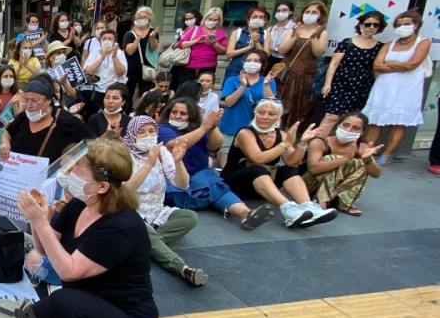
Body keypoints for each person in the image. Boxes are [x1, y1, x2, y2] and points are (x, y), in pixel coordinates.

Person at [19, 139, 157, 318]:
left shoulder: (121, 226)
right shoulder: (79, 204)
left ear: (103, 187)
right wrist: (40, 219)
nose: (71, 174)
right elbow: (44, 249)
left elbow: (67, 271)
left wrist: (40, 222)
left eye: (80, 171)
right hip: (91, 300)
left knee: (63, 303)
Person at [158, 99, 276, 230]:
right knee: (185, 195)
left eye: (183, 113)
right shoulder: (163, 128)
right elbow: (175, 144)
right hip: (175, 180)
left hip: (200, 176)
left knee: (219, 188)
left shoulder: (198, 129)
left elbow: (215, 145)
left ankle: (246, 214)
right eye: (174, 112)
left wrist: (213, 126)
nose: (178, 116)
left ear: (191, 116)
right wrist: (204, 128)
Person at [220, 99, 337, 227]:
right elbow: (258, 159)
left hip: (262, 186)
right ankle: (288, 209)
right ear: (255, 113)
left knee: (288, 170)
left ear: (278, 117)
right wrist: (285, 144)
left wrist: (302, 143)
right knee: (256, 168)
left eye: (271, 114)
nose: (264, 117)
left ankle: (308, 206)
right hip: (235, 183)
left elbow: (292, 163)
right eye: (261, 112)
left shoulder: (281, 135)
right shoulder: (245, 133)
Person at [123, 116, 208, 286]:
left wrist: (178, 162)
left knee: (190, 217)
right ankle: (182, 268)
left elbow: (182, 183)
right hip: (131, 213)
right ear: (132, 134)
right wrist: (148, 164)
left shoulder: (161, 152)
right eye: (141, 132)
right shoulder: (123, 155)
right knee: (143, 230)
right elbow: (125, 191)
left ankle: (145, 245)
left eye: (152, 131)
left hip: (156, 212)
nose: (148, 135)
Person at [363, 10, 431, 165]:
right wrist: (399, 66)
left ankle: (387, 154)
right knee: (375, 121)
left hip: (407, 88)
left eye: (407, 24)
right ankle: (368, 152)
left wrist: (391, 63)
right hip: (384, 86)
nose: (402, 27)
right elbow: (377, 65)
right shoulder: (389, 44)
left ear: (416, 25)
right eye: (399, 25)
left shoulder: (423, 42)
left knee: (398, 123)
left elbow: (412, 64)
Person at [0, 76, 94, 166]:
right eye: (26, 100)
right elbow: (7, 133)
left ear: (49, 100)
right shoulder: (23, 117)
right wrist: (5, 143)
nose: (29, 105)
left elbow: (93, 144)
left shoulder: (66, 120)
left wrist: (72, 158)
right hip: (16, 176)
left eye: (34, 100)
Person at [304, 111, 383, 216]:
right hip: (310, 186)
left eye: (356, 128)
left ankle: (341, 201)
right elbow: (313, 169)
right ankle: (321, 201)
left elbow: (376, 174)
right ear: (338, 125)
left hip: (335, 189)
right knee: (330, 159)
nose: (348, 130)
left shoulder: (362, 147)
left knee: (362, 164)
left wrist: (368, 160)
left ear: (362, 132)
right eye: (345, 125)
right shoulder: (320, 142)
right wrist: (345, 158)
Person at [320, 11, 385, 132]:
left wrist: (378, 90)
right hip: (340, 84)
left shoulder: (380, 46)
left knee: (352, 120)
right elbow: (334, 64)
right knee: (331, 116)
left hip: (363, 87)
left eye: (375, 25)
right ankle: (316, 143)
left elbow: (376, 69)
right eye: (368, 24)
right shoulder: (347, 42)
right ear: (360, 25)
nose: (371, 27)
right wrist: (327, 83)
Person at [218, 50, 277, 167]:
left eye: (256, 61)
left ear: (262, 65)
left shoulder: (268, 81)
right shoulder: (232, 80)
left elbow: (271, 103)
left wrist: (266, 85)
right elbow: (228, 103)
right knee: (226, 164)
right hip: (231, 125)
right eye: (249, 60)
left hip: (256, 128)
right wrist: (242, 86)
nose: (252, 63)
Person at [276, 1, 328, 128]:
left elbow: (318, 52)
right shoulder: (292, 30)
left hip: (306, 76)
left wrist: (314, 37)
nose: (310, 15)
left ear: (320, 15)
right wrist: (295, 36)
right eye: (307, 12)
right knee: (280, 104)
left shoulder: (322, 33)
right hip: (287, 74)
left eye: (314, 12)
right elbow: (282, 50)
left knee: (300, 107)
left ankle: (292, 132)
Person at [174, 7, 227, 90]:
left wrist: (215, 44)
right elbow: (181, 44)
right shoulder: (195, 29)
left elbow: (223, 51)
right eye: (210, 19)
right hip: (188, 66)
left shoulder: (221, 33)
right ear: (205, 18)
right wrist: (196, 41)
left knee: (204, 91)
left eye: (215, 20)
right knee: (186, 90)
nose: (212, 22)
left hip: (208, 67)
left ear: (219, 21)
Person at [81, 29, 127, 117]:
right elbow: (88, 71)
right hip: (95, 88)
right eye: (104, 38)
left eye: (110, 39)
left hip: (113, 88)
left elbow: (121, 72)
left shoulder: (120, 54)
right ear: (100, 41)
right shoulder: (94, 54)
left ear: (114, 42)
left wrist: (114, 57)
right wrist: (102, 57)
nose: (107, 40)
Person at [0, 65, 23, 163]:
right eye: (5, 76)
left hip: (12, 130)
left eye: (11, 76)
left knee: (10, 162)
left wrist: (14, 104)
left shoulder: (18, 93)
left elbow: (20, 117)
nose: (8, 79)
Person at [122, 6, 160, 102]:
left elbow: (154, 48)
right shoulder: (130, 34)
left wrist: (151, 37)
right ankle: (127, 111)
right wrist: (138, 37)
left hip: (147, 67)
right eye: (140, 17)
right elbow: (129, 51)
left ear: (149, 19)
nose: (142, 19)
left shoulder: (153, 32)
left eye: (144, 17)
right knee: (128, 92)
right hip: (132, 67)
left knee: (146, 93)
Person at [223, 6, 269, 83]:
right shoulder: (237, 32)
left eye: (261, 17)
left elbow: (266, 55)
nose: (258, 19)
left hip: (255, 72)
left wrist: (256, 43)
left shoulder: (266, 34)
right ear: (248, 19)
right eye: (255, 17)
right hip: (235, 70)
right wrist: (248, 48)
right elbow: (228, 54)